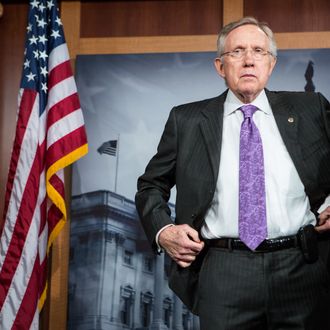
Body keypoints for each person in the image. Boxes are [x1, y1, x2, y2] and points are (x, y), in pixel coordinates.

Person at [135, 16, 330, 330]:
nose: (249, 60)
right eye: (237, 52)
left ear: (271, 63)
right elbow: (151, 185)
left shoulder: (311, 109)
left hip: (300, 267)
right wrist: (163, 231)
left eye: (258, 51)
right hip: (223, 271)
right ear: (220, 66)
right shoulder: (186, 120)